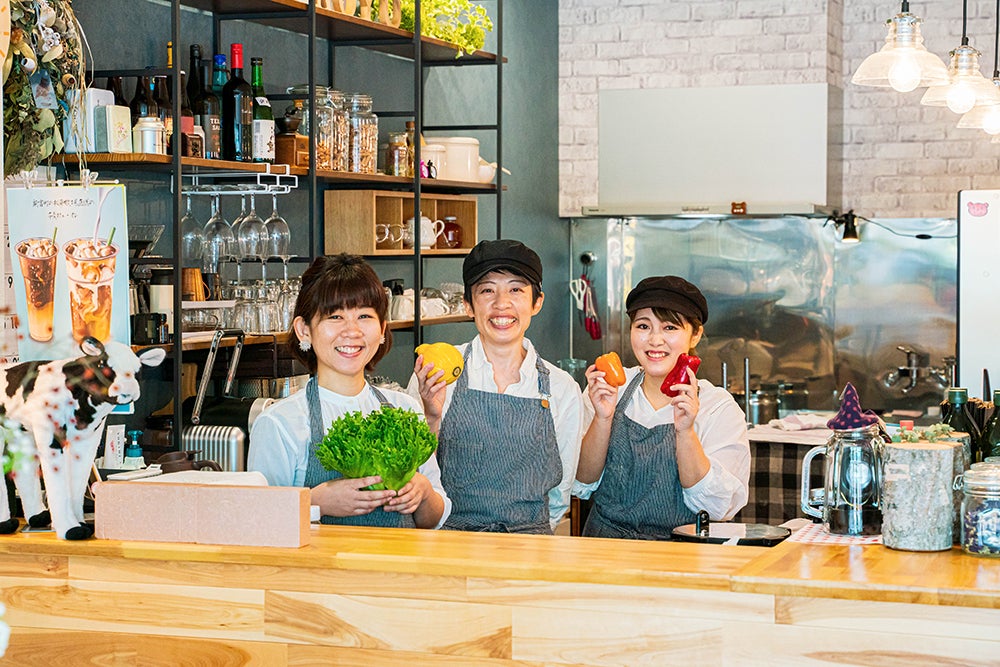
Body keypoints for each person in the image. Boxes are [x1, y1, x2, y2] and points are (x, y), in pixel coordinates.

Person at [249, 254, 449, 529]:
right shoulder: (279, 423)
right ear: (304, 330)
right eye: (335, 316)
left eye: (364, 316)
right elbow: (256, 523)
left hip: (399, 559)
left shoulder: (406, 408)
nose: (352, 331)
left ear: (382, 329)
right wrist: (314, 502)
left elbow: (433, 521)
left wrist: (424, 492)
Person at [408, 239, 583, 534]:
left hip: (530, 546)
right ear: (468, 304)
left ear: (537, 302)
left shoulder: (561, 387)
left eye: (516, 290)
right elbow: (414, 476)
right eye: (487, 290)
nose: (502, 303)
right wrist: (431, 417)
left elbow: (559, 493)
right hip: (451, 542)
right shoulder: (434, 375)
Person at [574, 275, 750, 540]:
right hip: (604, 548)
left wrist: (686, 432)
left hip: (681, 551)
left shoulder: (717, 407)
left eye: (670, 327)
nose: (655, 340)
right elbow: (581, 482)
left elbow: (717, 508)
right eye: (643, 326)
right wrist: (602, 418)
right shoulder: (611, 388)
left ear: (695, 334)